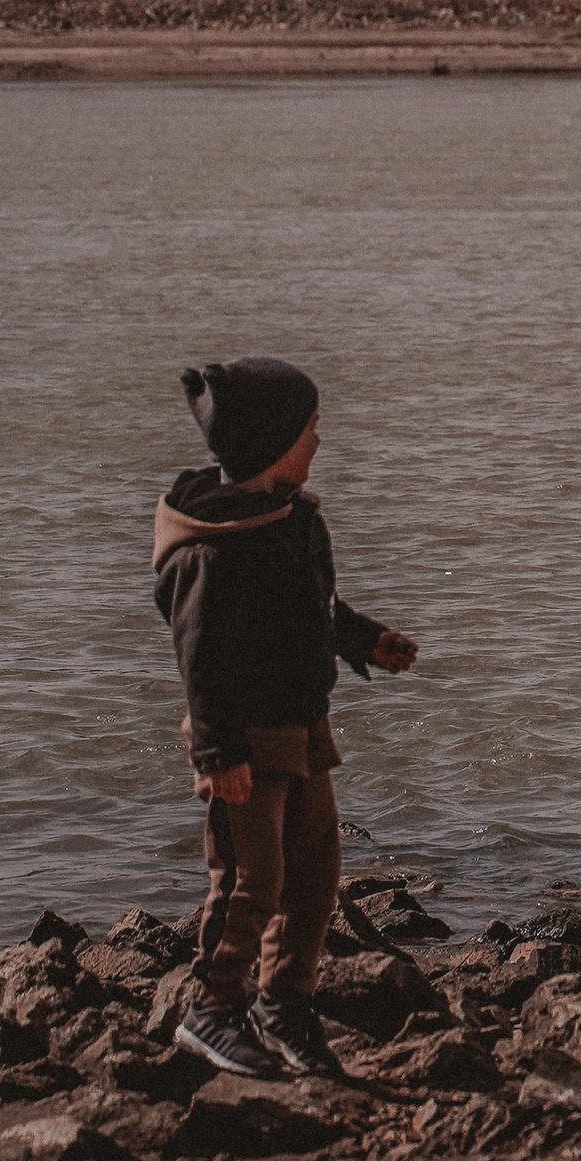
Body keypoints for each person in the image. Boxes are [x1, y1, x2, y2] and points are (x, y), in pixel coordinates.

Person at [151, 355, 418, 1081]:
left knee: (314, 876)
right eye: (311, 429)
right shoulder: (211, 546)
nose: (320, 442)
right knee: (249, 880)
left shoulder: (295, 521)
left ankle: (285, 1005)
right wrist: (217, 753)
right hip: (243, 743)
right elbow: (199, 660)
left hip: (305, 730)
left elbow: (314, 612)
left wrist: (365, 640)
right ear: (272, 440)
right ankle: (211, 1008)